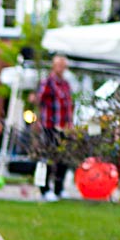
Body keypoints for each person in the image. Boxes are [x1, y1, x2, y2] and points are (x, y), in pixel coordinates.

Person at [36, 55, 74, 202]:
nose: (61, 68)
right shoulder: (47, 82)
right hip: (50, 127)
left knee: (62, 159)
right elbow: (40, 99)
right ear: (54, 66)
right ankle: (44, 189)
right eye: (58, 65)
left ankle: (59, 188)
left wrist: (70, 126)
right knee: (47, 158)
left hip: (63, 127)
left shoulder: (65, 84)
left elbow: (68, 106)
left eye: (63, 66)